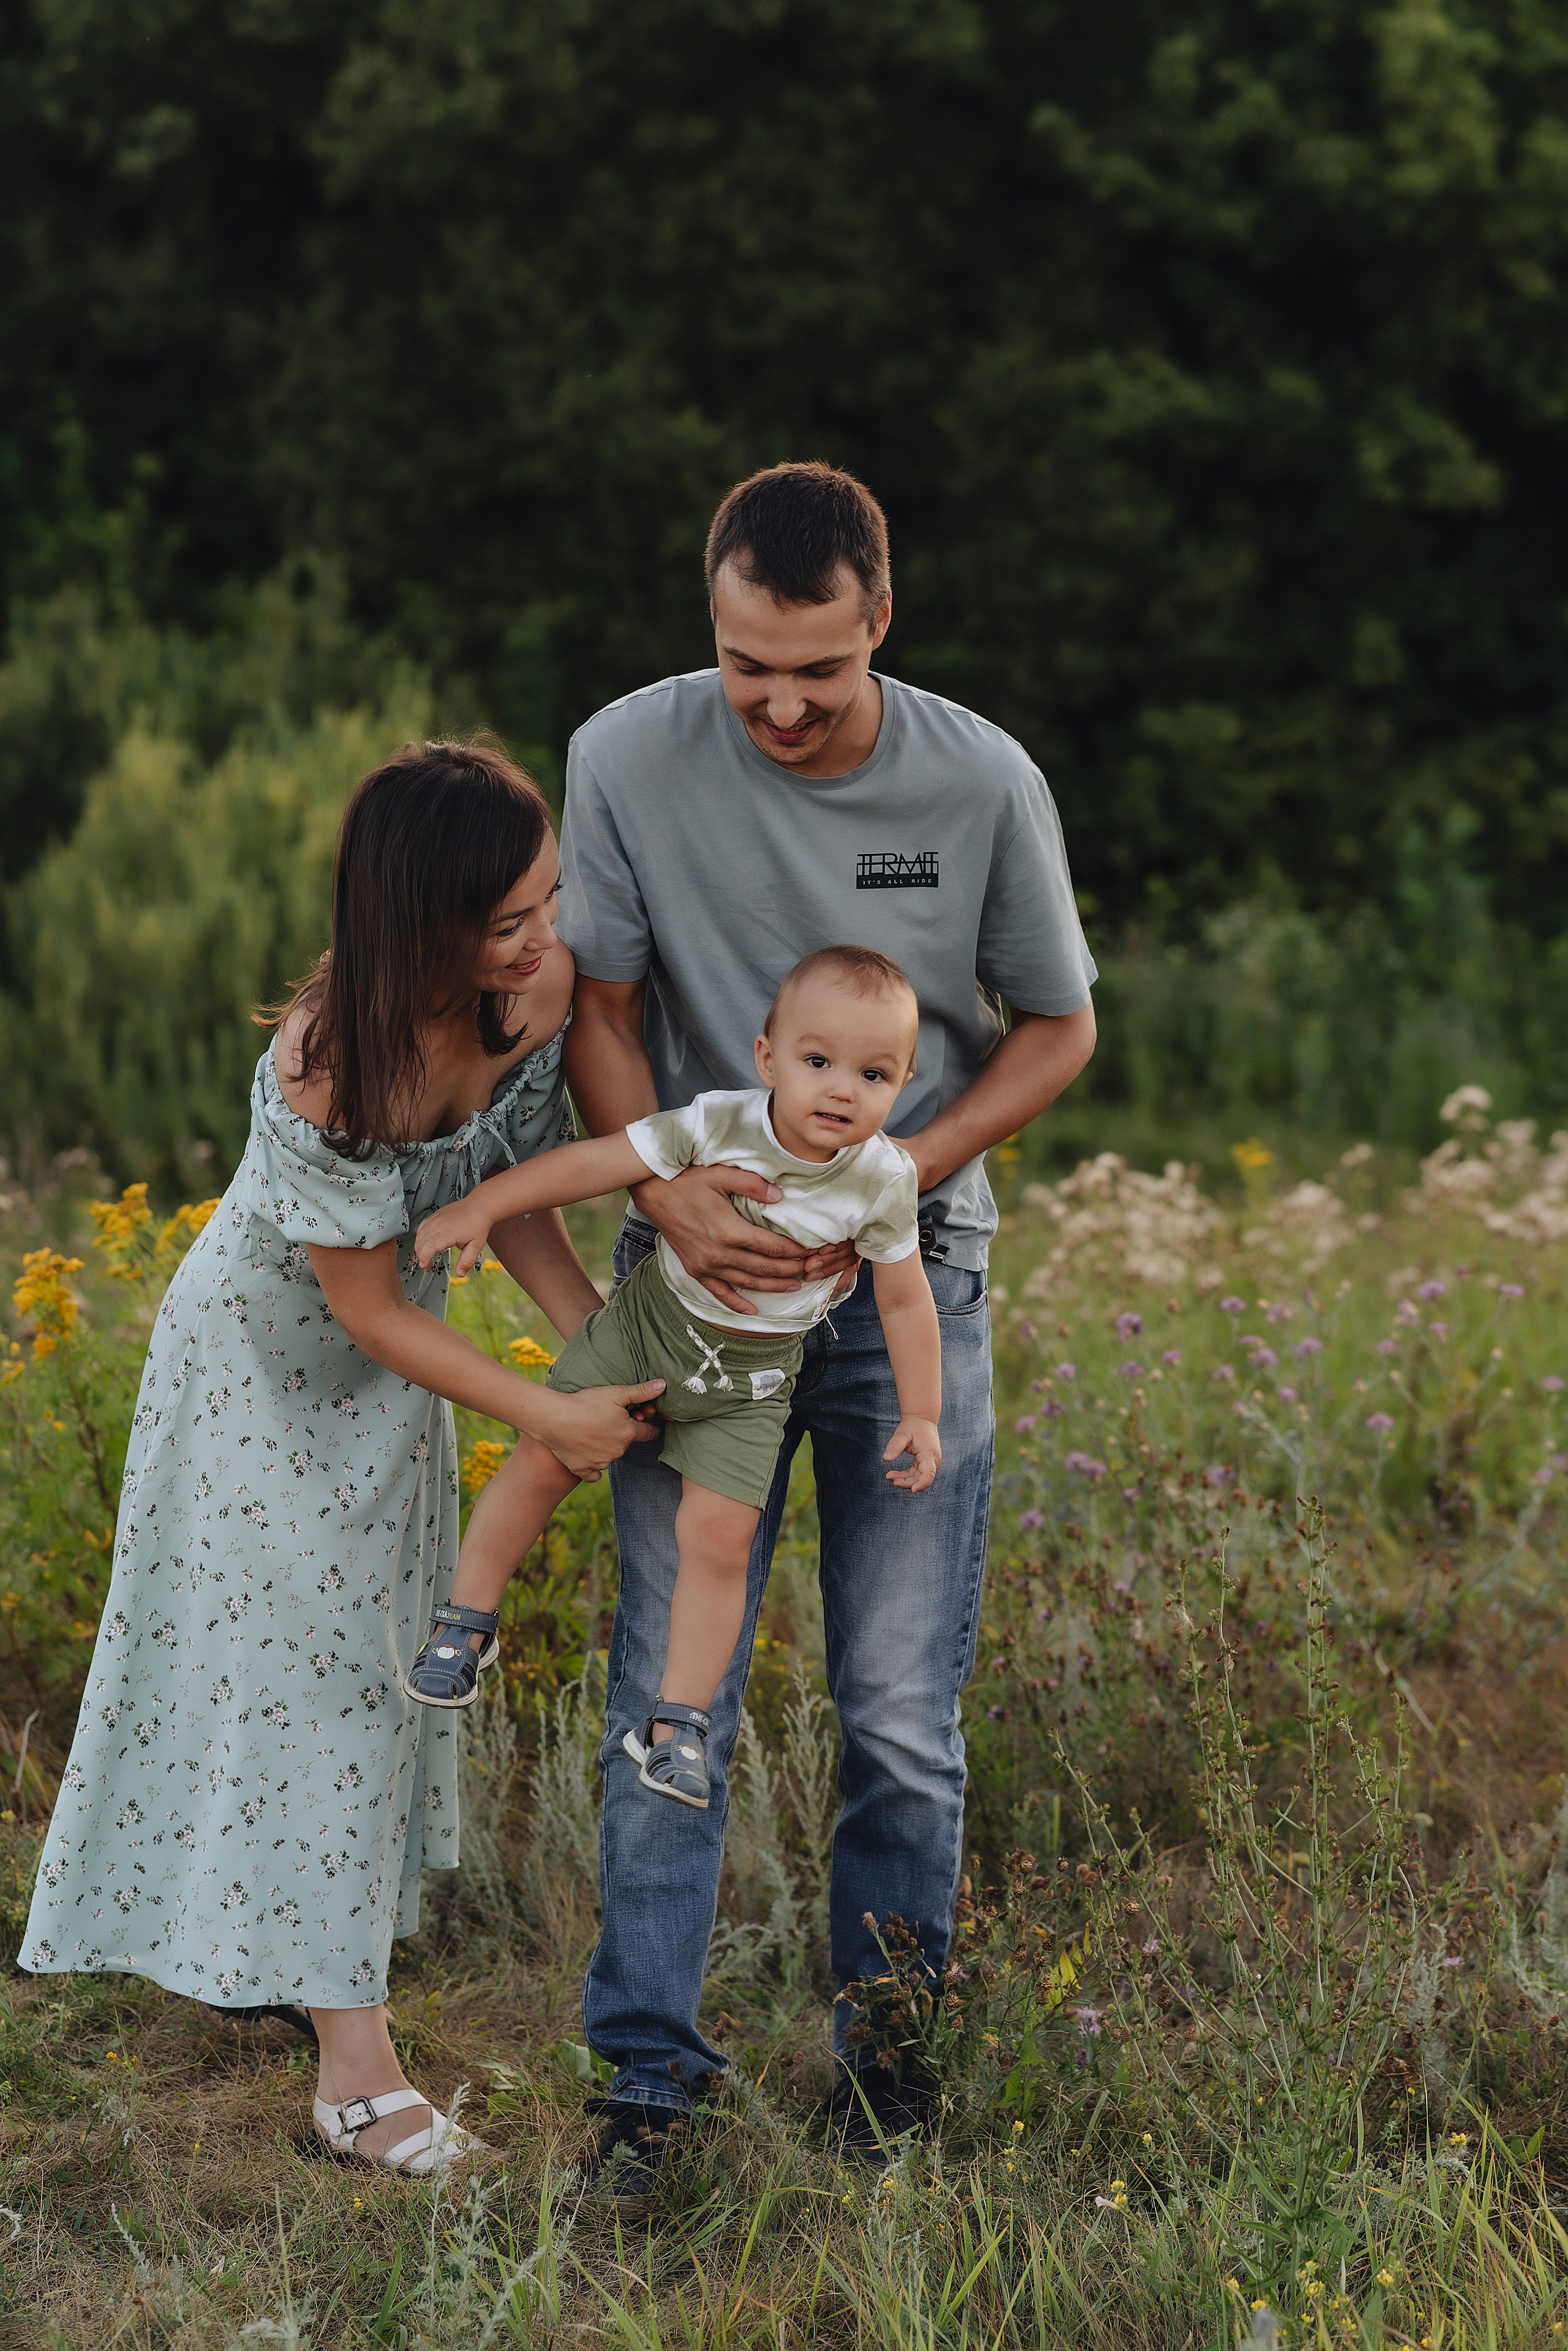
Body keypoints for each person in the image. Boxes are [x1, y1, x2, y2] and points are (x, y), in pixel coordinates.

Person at [556, 460, 1098, 2189]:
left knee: (895, 1704)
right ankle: (644, 2088)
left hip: (904, 1295)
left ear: (881, 622)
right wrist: (666, 1197)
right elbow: (606, 1009)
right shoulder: (624, 755)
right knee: (670, 1692)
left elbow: (1059, 1027)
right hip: (697, 1289)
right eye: (745, 665)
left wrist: (898, 1175)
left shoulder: (980, 776)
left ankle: (889, 2082)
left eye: (820, 668)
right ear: (708, 624)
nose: (779, 704)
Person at [19, 740, 664, 2177]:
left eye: (545, 899)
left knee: (359, 1667)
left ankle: (276, 1953)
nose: (541, 939)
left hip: (392, 1372)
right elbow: (360, 1303)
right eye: (504, 921)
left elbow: (501, 1197)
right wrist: (544, 1415)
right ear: (415, 923)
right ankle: (352, 2080)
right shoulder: (329, 1058)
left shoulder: (539, 988)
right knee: (305, 1678)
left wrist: (596, 1346)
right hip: (259, 1367)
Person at [404, 946, 941, 1819]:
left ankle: (678, 1725)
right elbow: (595, 1164)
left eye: (874, 1073)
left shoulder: (883, 1178)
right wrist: (485, 1203)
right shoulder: (718, 1123)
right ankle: (465, 1622)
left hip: (752, 1381)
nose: (842, 1089)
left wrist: (922, 1410)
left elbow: (910, 1301)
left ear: (905, 1082)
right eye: (818, 1062)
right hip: (648, 1331)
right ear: (767, 1056)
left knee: (722, 1537)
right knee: (545, 1456)